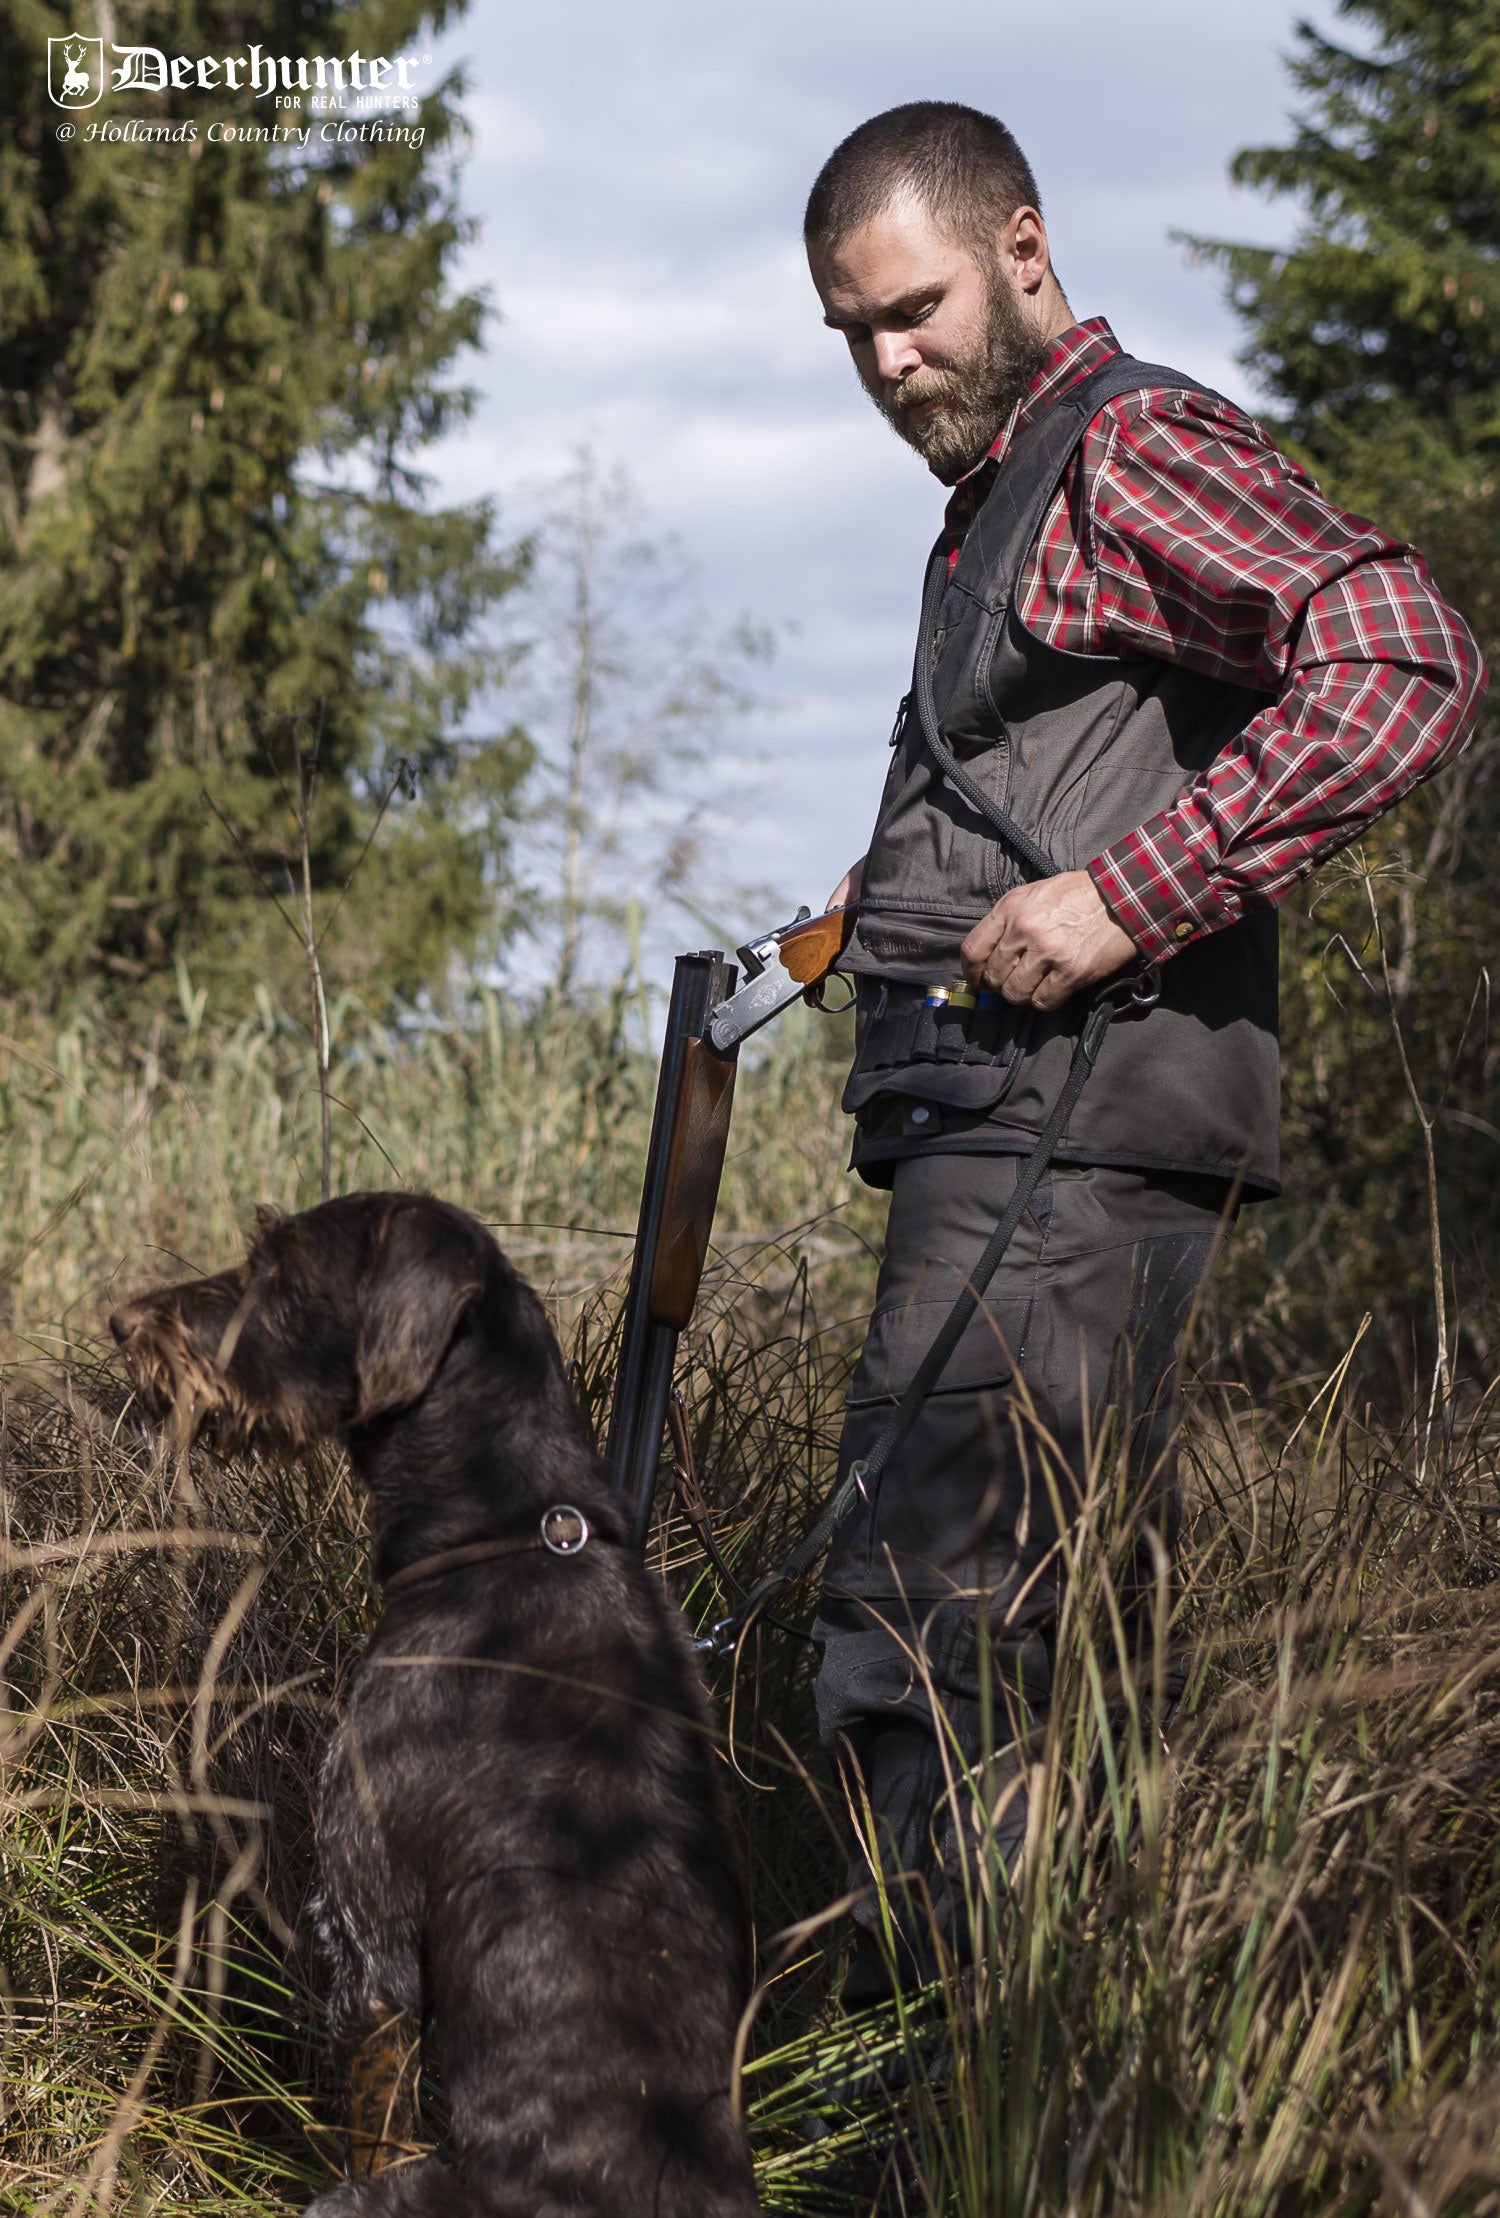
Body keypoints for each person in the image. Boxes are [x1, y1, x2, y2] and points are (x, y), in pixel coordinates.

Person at [803, 101, 1486, 2005]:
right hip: (1032, 1145)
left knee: (930, 1635)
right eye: (853, 333)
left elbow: (1402, 649)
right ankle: (1095, 2098)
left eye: (916, 308)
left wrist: (1129, 895)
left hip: (1064, 1143)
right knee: (1049, 1650)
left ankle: (957, 2116)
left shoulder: (1128, 447)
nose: (889, 360)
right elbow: (1060, 764)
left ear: (1025, 247)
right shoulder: (1008, 495)